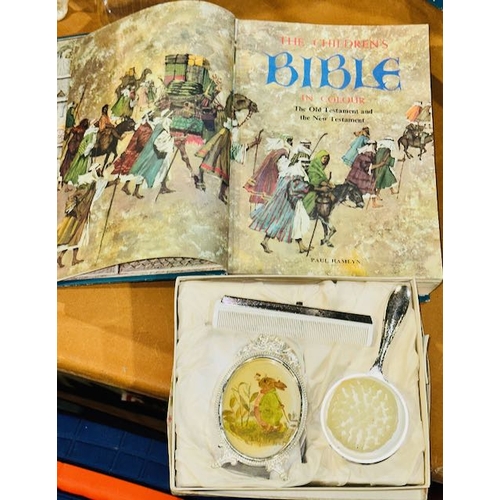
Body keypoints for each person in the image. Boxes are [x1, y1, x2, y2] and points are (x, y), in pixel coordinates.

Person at [249, 143, 310, 253]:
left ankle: (301, 245)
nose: (306, 165)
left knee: (297, 221)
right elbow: (293, 189)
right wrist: (305, 187)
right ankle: (265, 241)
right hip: (289, 202)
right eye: (304, 162)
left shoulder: (292, 170)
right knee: (282, 221)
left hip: (292, 201)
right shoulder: (295, 172)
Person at [109, 111, 155, 194]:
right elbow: (142, 142)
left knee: (130, 170)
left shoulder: (143, 127)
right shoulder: (147, 129)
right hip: (135, 151)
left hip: (132, 150)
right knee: (130, 170)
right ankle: (116, 183)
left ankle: (125, 186)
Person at [243, 134, 293, 206]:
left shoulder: (276, 151)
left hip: (267, 177)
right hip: (273, 178)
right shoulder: (283, 152)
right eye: (289, 141)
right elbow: (282, 168)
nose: (291, 143)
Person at [345, 141, 385, 208]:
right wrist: (379, 165)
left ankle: (374, 203)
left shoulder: (369, 154)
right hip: (360, 176)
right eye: (375, 146)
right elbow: (366, 167)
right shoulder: (366, 155)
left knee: (372, 186)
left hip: (365, 175)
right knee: (358, 190)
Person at [59, 118, 90, 183]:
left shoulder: (82, 130)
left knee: (69, 163)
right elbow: (74, 130)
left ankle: (65, 176)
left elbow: (76, 130)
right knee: (67, 163)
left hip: (74, 148)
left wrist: (72, 128)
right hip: (73, 147)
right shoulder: (83, 130)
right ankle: (63, 176)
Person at [373, 137, 399, 202]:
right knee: (381, 180)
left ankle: (392, 190)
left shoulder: (379, 149)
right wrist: (399, 160)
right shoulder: (387, 150)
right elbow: (387, 159)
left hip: (380, 167)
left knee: (389, 178)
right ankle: (377, 194)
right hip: (383, 168)